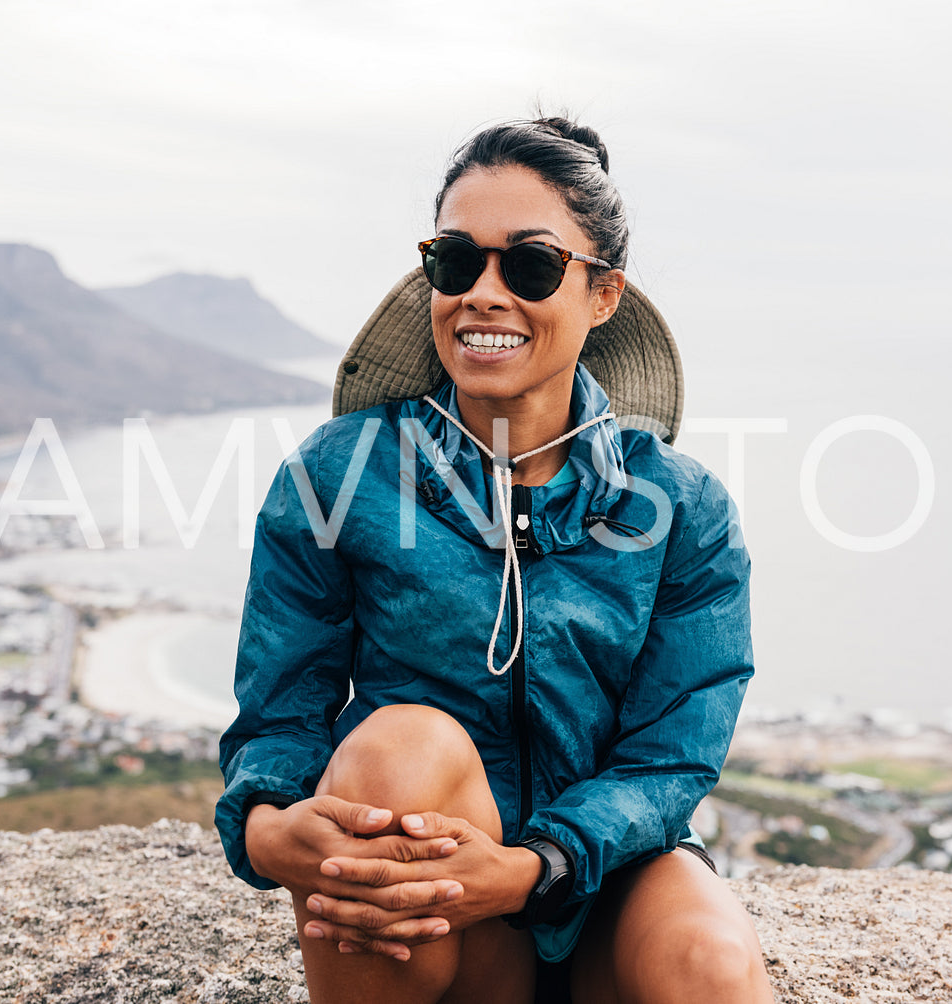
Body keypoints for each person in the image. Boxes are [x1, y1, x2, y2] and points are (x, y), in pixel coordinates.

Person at [216, 116, 773, 1003]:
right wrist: (264, 824)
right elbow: (280, 715)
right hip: (427, 891)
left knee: (705, 958)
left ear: (602, 295)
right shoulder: (336, 478)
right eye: (455, 260)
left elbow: (669, 759)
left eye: (530, 265)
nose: (483, 291)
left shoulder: (678, 507)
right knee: (402, 741)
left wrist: (531, 867)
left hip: (600, 877)